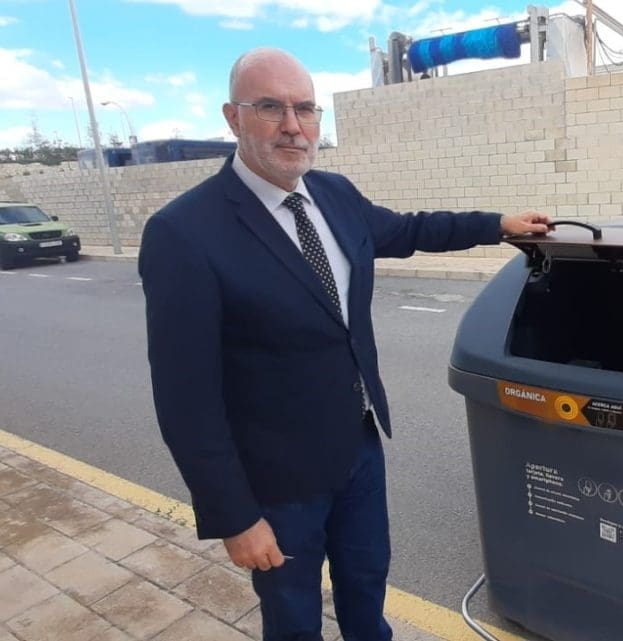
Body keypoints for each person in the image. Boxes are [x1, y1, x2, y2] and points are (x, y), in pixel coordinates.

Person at [138, 47, 551, 641]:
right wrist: (235, 518)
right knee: (294, 618)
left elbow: (410, 229)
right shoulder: (184, 233)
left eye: (305, 109)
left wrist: (496, 225)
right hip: (276, 482)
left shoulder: (334, 195)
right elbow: (185, 401)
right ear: (233, 118)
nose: (293, 125)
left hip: (358, 449)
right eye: (271, 107)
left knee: (367, 584)